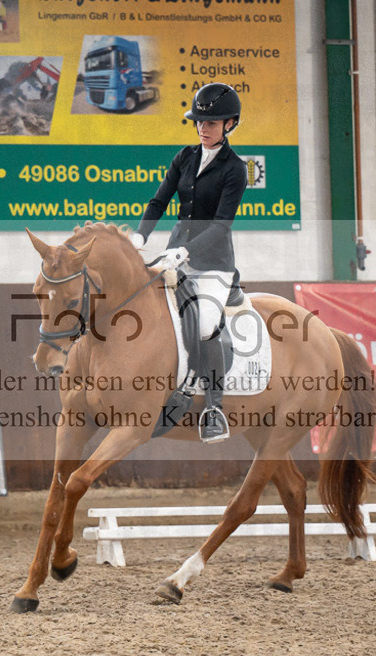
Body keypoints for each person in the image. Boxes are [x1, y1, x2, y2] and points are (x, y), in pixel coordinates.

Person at [130, 82, 248, 443]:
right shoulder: (184, 157)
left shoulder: (236, 168)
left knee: (203, 326)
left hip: (212, 262)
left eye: (211, 123)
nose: (203, 128)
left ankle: (213, 407)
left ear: (230, 124)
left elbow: (221, 224)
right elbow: (159, 201)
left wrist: (187, 252)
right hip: (173, 252)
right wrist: (139, 237)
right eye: (199, 121)